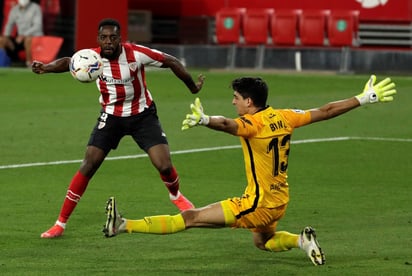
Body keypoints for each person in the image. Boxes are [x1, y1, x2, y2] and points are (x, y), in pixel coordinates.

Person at [102, 75, 396, 266]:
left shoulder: (252, 125)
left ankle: (123, 225)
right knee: (262, 241)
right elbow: (326, 111)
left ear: (249, 102)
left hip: (256, 204)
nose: (233, 102)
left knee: (191, 218)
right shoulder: (285, 116)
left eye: (236, 98)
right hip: (279, 201)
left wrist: (205, 120)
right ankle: (300, 241)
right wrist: (362, 98)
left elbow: (229, 125)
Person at [32, 18, 205, 238]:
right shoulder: (92, 57)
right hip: (111, 117)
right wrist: (45, 68)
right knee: (88, 164)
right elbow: (68, 62)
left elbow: (170, 61)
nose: (108, 42)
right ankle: (60, 223)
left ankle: (176, 195)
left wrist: (192, 88)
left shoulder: (136, 54)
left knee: (163, 164)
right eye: (103, 37)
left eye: (113, 37)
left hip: (142, 115)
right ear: (98, 39)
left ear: (120, 38)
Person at [0, 0, 43, 67]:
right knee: (1, 40)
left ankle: (30, 64)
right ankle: (2, 63)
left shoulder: (36, 8)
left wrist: (24, 35)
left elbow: (37, 26)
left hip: (34, 37)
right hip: (20, 39)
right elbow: (9, 25)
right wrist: (6, 37)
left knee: (28, 39)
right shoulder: (15, 9)